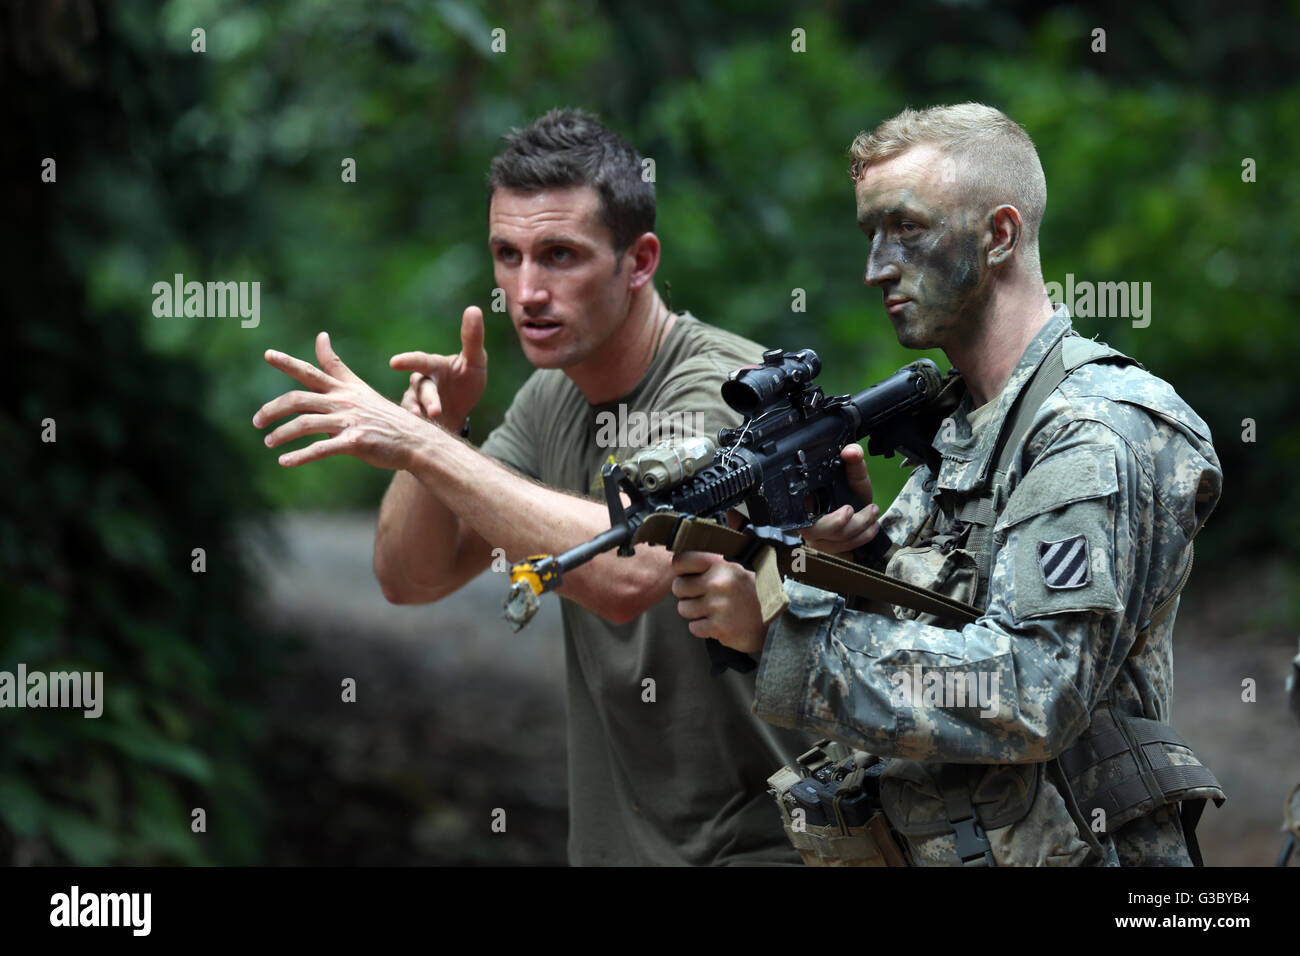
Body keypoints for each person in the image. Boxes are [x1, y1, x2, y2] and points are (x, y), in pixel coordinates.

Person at [669, 103, 1225, 866]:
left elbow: (1036, 689)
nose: (876, 268)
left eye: (907, 228)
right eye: (871, 234)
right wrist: (845, 571)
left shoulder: (1097, 429)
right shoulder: (967, 427)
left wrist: (781, 637)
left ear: (999, 235)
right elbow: (947, 631)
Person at [253, 108, 812, 865]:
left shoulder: (721, 389)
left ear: (639, 261)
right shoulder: (552, 399)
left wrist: (422, 444)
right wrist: (441, 436)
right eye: (507, 256)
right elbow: (411, 579)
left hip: (771, 844)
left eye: (558, 255)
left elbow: (629, 573)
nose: (525, 291)